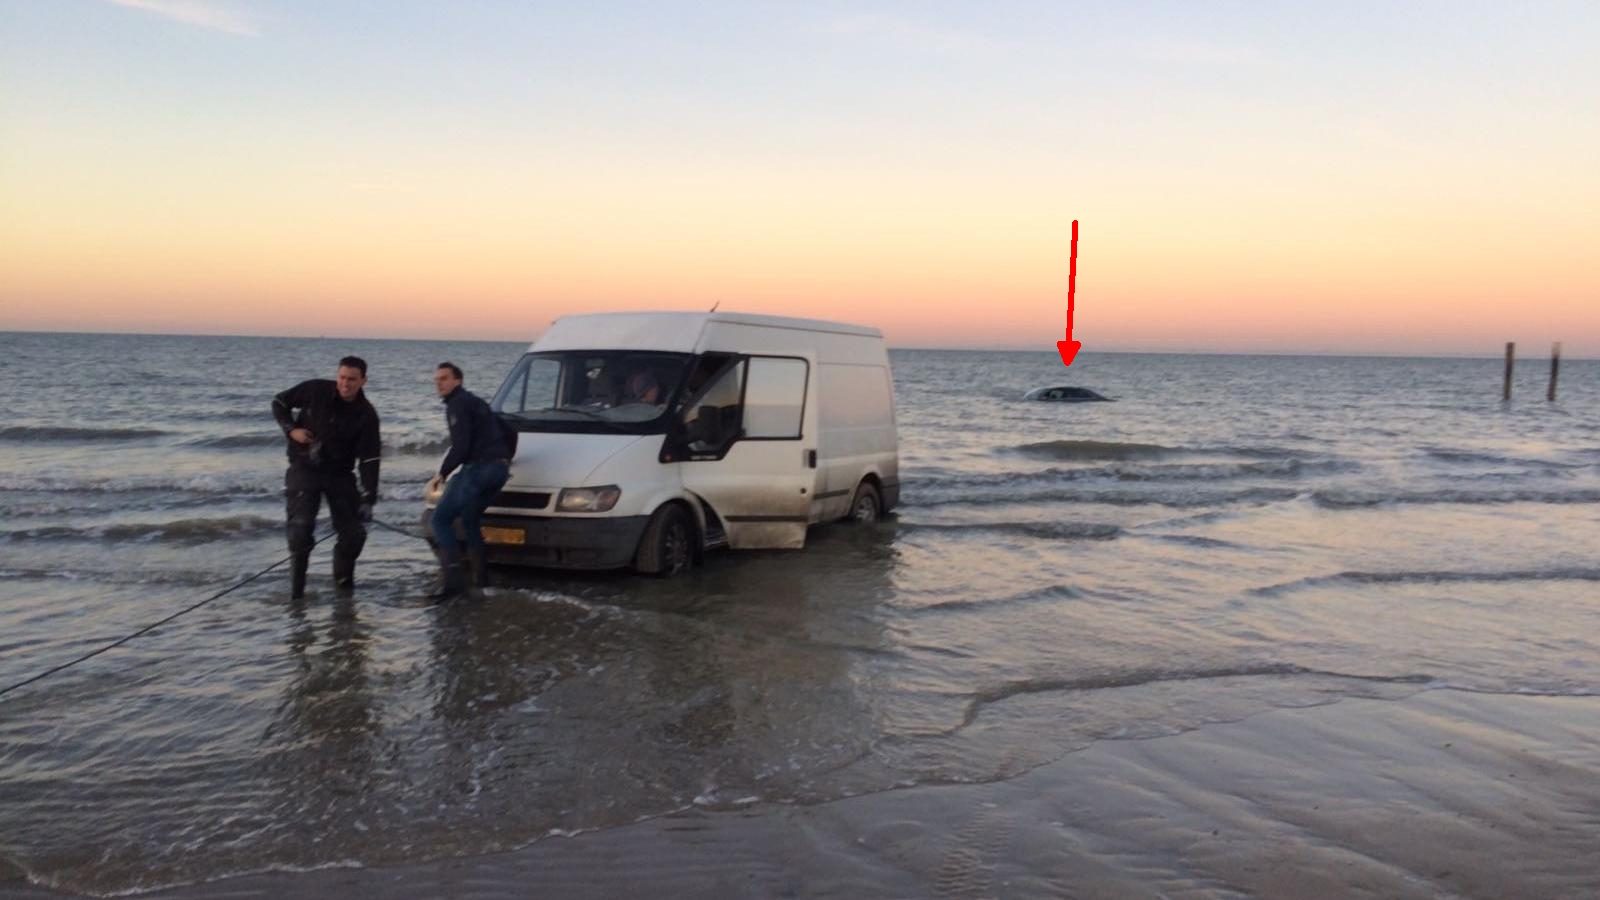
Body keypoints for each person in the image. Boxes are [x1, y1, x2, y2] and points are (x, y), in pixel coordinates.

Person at [272, 356, 381, 599]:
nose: (345, 384)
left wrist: (369, 498)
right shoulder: (314, 390)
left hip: (340, 474)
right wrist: (292, 430)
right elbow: (279, 402)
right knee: (300, 532)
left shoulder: (367, 415)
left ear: (363, 381)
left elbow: (370, 459)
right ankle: (297, 595)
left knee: (354, 535)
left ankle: (343, 588)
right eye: (342, 377)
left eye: (352, 380)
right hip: (304, 468)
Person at [427, 361, 512, 599]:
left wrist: (442, 473)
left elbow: (461, 447)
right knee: (470, 518)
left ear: (458, 380)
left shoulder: (457, 404)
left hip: (479, 469)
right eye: (437, 379)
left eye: (444, 378)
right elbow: (509, 431)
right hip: (499, 470)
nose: (439, 383)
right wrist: (504, 458)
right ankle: (482, 580)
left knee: (440, 520)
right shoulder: (477, 402)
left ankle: (453, 584)